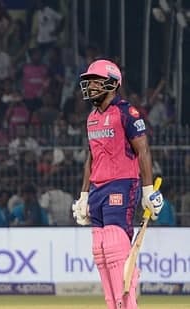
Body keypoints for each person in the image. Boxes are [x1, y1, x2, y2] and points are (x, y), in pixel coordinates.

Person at [71, 59, 164, 309]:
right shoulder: (91, 118)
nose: (89, 87)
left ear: (112, 84)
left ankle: (129, 304)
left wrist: (148, 191)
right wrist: (83, 195)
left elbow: (143, 150)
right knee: (100, 250)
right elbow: (90, 158)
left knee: (114, 246)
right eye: (87, 82)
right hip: (98, 189)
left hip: (122, 184)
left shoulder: (126, 112)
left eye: (94, 82)